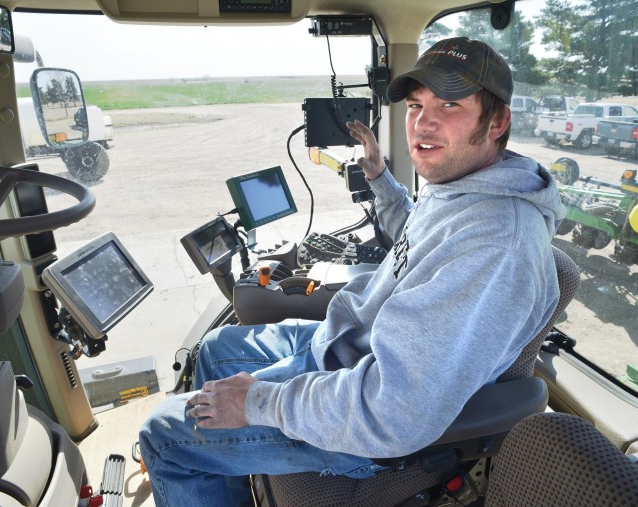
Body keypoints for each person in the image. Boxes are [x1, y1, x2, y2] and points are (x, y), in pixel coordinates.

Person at [139, 36, 566, 506]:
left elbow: (392, 412)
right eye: (417, 104)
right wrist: (381, 178)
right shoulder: (466, 187)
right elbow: (420, 237)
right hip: (348, 348)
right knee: (218, 350)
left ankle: (205, 457)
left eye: (449, 104)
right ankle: (225, 472)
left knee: (162, 435)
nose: (424, 122)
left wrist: (258, 403)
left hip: (364, 421)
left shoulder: (495, 242)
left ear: (498, 121)